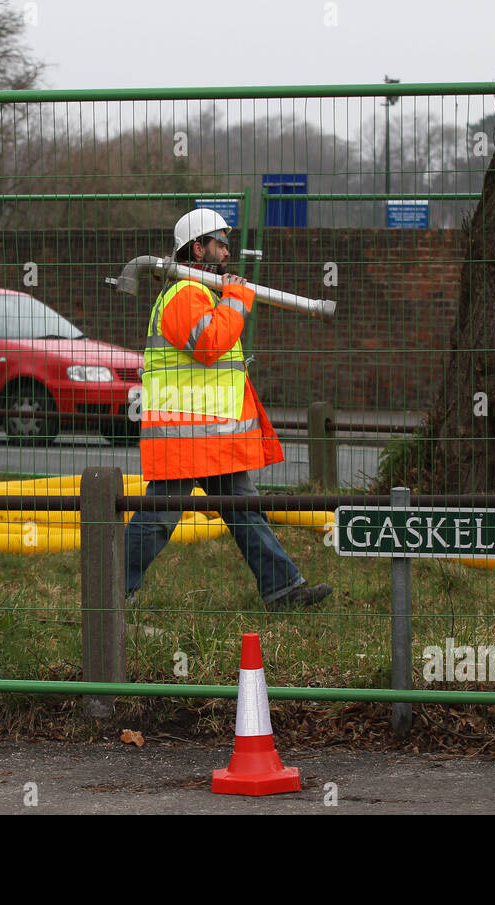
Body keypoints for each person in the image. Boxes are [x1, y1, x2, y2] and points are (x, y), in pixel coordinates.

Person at [125, 210, 332, 611]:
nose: (227, 251)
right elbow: (209, 345)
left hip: (209, 440)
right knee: (158, 520)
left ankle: (284, 590)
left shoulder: (202, 294)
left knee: (245, 511)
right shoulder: (185, 294)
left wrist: (229, 298)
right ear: (198, 247)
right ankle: (111, 591)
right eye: (219, 242)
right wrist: (236, 299)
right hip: (182, 437)